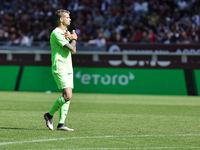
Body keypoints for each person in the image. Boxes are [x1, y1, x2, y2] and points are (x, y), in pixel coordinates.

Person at [44, 9, 78, 131]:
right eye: (68, 17)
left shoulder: (65, 33)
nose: (70, 19)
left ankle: (61, 123)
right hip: (60, 66)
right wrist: (74, 39)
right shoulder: (56, 33)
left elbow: (73, 50)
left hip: (68, 67)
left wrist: (71, 38)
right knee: (67, 95)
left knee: (68, 96)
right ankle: (49, 115)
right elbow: (71, 48)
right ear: (61, 19)